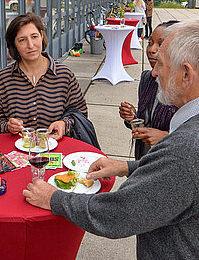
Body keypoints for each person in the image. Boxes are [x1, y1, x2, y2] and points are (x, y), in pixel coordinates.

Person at [23, 20, 199, 259]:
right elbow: (176, 176)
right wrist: (127, 166)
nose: (154, 72)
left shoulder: (185, 149)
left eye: (162, 65)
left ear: (186, 74)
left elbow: (119, 213)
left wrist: (53, 198)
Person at [0, 13, 91, 144]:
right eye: (22, 40)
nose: (30, 45)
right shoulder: (4, 79)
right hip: (19, 155)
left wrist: (64, 123)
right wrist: (7, 126)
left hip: (58, 152)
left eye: (34, 37)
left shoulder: (64, 74)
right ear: (14, 45)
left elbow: (81, 113)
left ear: (41, 36)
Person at [119, 21, 178, 159]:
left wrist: (166, 136)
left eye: (160, 44)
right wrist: (132, 118)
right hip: (144, 158)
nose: (151, 49)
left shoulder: (185, 90)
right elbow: (146, 122)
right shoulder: (147, 78)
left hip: (167, 162)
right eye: (150, 42)